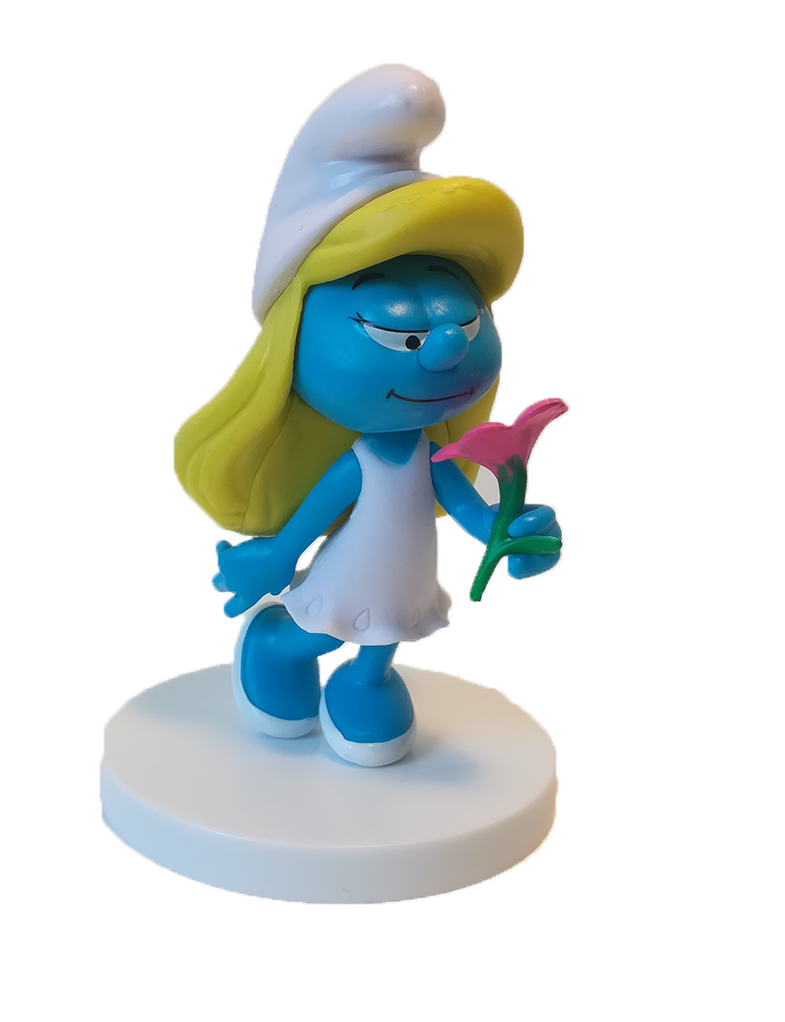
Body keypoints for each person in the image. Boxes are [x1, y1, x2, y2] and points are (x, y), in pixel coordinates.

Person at [172, 67, 560, 766]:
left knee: (387, 635)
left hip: (404, 577)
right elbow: (313, 518)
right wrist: (276, 556)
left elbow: (470, 512)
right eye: (398, 331)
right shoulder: (359, 461)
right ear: (291, 342)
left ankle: (366, 683)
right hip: (351, 570)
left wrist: (510, 532)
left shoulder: (432, 453)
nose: (445, 348)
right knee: (327, 625)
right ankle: (277, 645)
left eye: (466, 319)